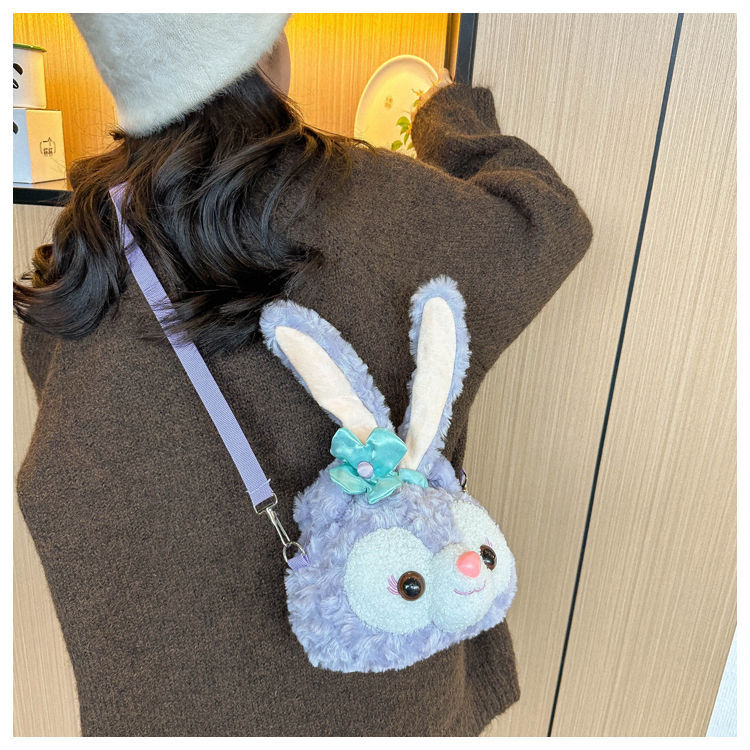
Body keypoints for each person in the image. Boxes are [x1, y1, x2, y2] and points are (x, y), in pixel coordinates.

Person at [13, 13, 592, 737]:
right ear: (270, 50)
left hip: (175, 709)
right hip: (387, 697)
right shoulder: (378, 204)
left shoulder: (87, 245)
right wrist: (447, 113)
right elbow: (546, 222)